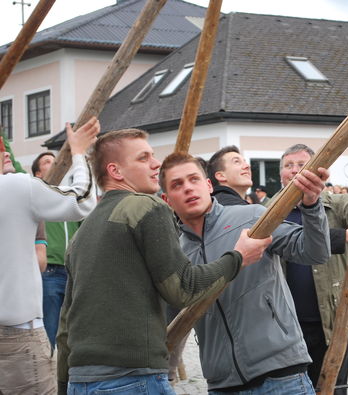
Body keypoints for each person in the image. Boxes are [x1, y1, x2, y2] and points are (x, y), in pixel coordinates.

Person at [56, 129, 271, 394]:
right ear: (116, 171)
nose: (156, 164)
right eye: (144, 158)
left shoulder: (81, 234)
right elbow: (183, 288)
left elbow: (65, 327)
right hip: (132, 378)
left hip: (81, 381)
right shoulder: (147, 207)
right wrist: (238, 257)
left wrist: (64, 386)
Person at [160, 151, 331, 394]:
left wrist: (312, 206)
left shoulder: (251, 217)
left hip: (281, 375)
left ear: (209, 185)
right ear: (167, 199)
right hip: (223, 384)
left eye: (194, 179)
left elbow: (315, 253)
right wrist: (164, 377)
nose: (188, 188)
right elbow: (172, 321)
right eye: (177, 184)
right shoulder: (175, 254)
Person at [0, 118, 99, 394]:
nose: (7, 151)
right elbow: (83, 200)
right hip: (15, 337)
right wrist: (78, 152)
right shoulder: (15, 187)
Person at [278, 143, 348, 394]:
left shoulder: (334, 204)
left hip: (330, 322)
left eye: (302, 165)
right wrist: (343, 236)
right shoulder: (269, 212)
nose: (295, 171)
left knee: (332, 388)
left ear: (319, 173)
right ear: (280, 174)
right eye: (288, 166)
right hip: (286, 324)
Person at [31, 151, 83, 351]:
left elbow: (84, 224)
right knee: (50, 328)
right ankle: (47, 370)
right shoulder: (35, 197)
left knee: (73, 328)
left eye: (56, 159)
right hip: (50, 271)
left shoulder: (69, 196)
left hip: (73, 273)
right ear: (38, 174)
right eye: (47, 161)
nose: (55, 163)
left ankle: (67, 374)